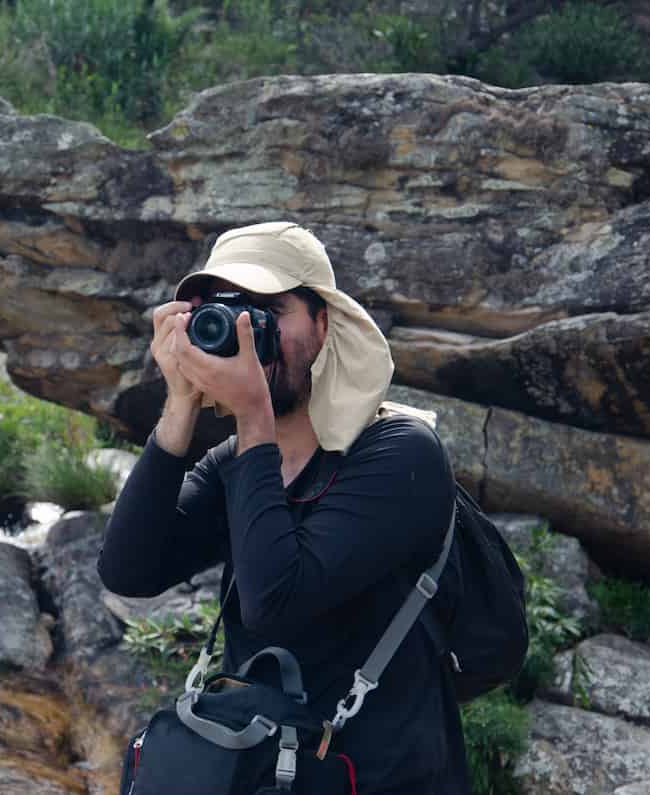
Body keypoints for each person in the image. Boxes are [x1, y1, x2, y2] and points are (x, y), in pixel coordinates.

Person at [98, 222, 469, 794]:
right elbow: (128, 571)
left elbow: (275, 602)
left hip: (383, 775)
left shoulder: (399, 453)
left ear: (323, 324)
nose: (249, 331)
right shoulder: (233, 461)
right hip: (274, 769)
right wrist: (180, 404)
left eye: (268, 310)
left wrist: (252, 417)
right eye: (230, 313)